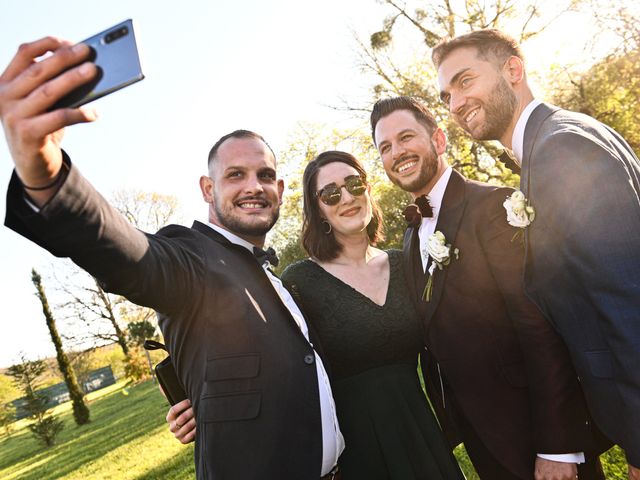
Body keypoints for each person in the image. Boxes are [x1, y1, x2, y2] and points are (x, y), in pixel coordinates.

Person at [0, 37, 344, 479]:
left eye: (266, 175)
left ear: (279, 190)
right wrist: (45, 173)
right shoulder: (192, 258)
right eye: (235, 175)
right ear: (207, 189)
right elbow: (136, 258)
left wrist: (205, 401)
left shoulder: (276, 278)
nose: (254, 186)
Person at [170, 150, 465, 479]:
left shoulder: (404, 262)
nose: (347, 198)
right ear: (318, 210)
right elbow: (263, 348)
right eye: (330, 193)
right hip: (356, 454)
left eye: (355, 184)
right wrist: (209, 400)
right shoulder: (300, 282)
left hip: (420, 434)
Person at [432, 29, 640, 479]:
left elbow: (628, 301)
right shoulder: (558, 141)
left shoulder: (561, 148)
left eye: (465, 81)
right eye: (447, 94)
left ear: (513, 70)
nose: (455, 103)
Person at [370, 96, 609, 480]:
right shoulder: (410, 237)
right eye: (385, 147)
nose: (397, 152)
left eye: (406, 137)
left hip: (538, 438)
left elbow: (541, 328)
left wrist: (560, 446)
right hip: (482, 442)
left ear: (439, 140)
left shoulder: (495, 207)